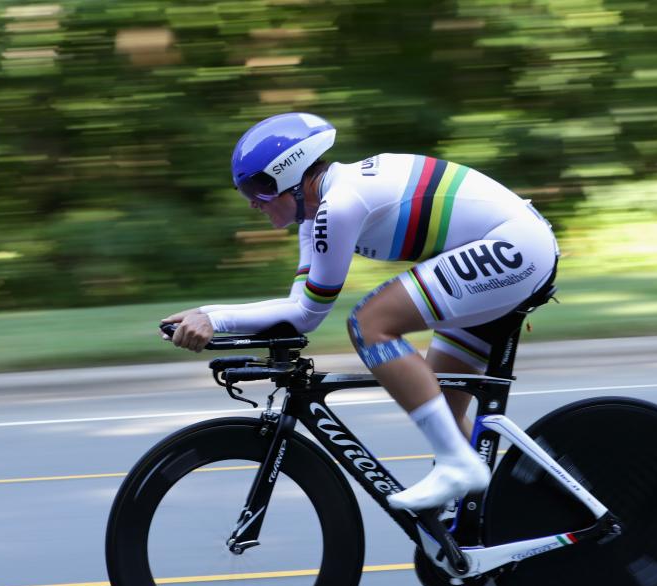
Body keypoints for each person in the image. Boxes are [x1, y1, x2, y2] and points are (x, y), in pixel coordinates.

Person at [162, 112, 558, 513]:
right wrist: (208, 314)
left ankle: (461, 469)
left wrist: (215, 319)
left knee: (369, 323)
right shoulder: (316, 215)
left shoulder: (340, 204)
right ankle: (517, 512)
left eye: (257, 189)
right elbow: (299, 307)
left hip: (515, 245)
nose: (252, 203)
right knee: (442, 409)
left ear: (288, 175)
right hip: (508, 250)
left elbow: (308, 314)